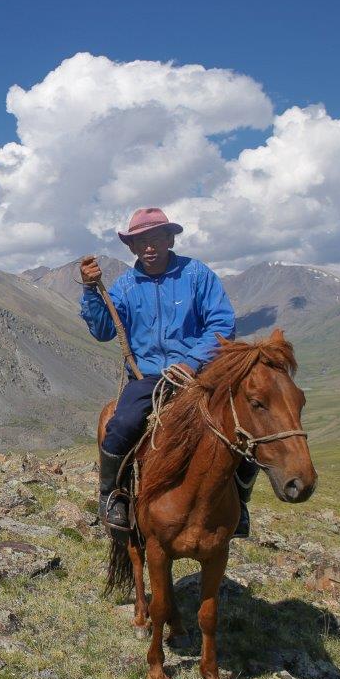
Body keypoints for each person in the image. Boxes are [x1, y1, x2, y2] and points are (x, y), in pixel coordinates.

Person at [80, 206, 256, 537]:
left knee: (246, 423)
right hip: (147, 377)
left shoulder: (197, 275)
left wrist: (191, 361)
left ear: (170, 238)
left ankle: (240, 503)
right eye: (141, 240)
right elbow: (103, 330)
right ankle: (112, 497)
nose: (150, 246)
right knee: (122, 425)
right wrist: (91, 292)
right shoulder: (124, 286)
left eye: (157, 237)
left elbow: (221, 323)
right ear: (131, 247)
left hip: (199, 373)